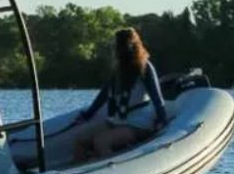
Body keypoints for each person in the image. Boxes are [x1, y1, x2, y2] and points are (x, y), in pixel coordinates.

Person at [72, 27, 168, 162]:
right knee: (80, 141)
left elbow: (157, 99)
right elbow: (103, 96)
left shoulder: (144, 68)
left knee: (101, 141)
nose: (118, 50)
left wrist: (162, 121)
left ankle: (108, 170)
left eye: (120, 45)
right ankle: (81, 170)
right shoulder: (118, 71)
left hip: (138, 125)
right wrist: (87, 115)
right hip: (117, 121)